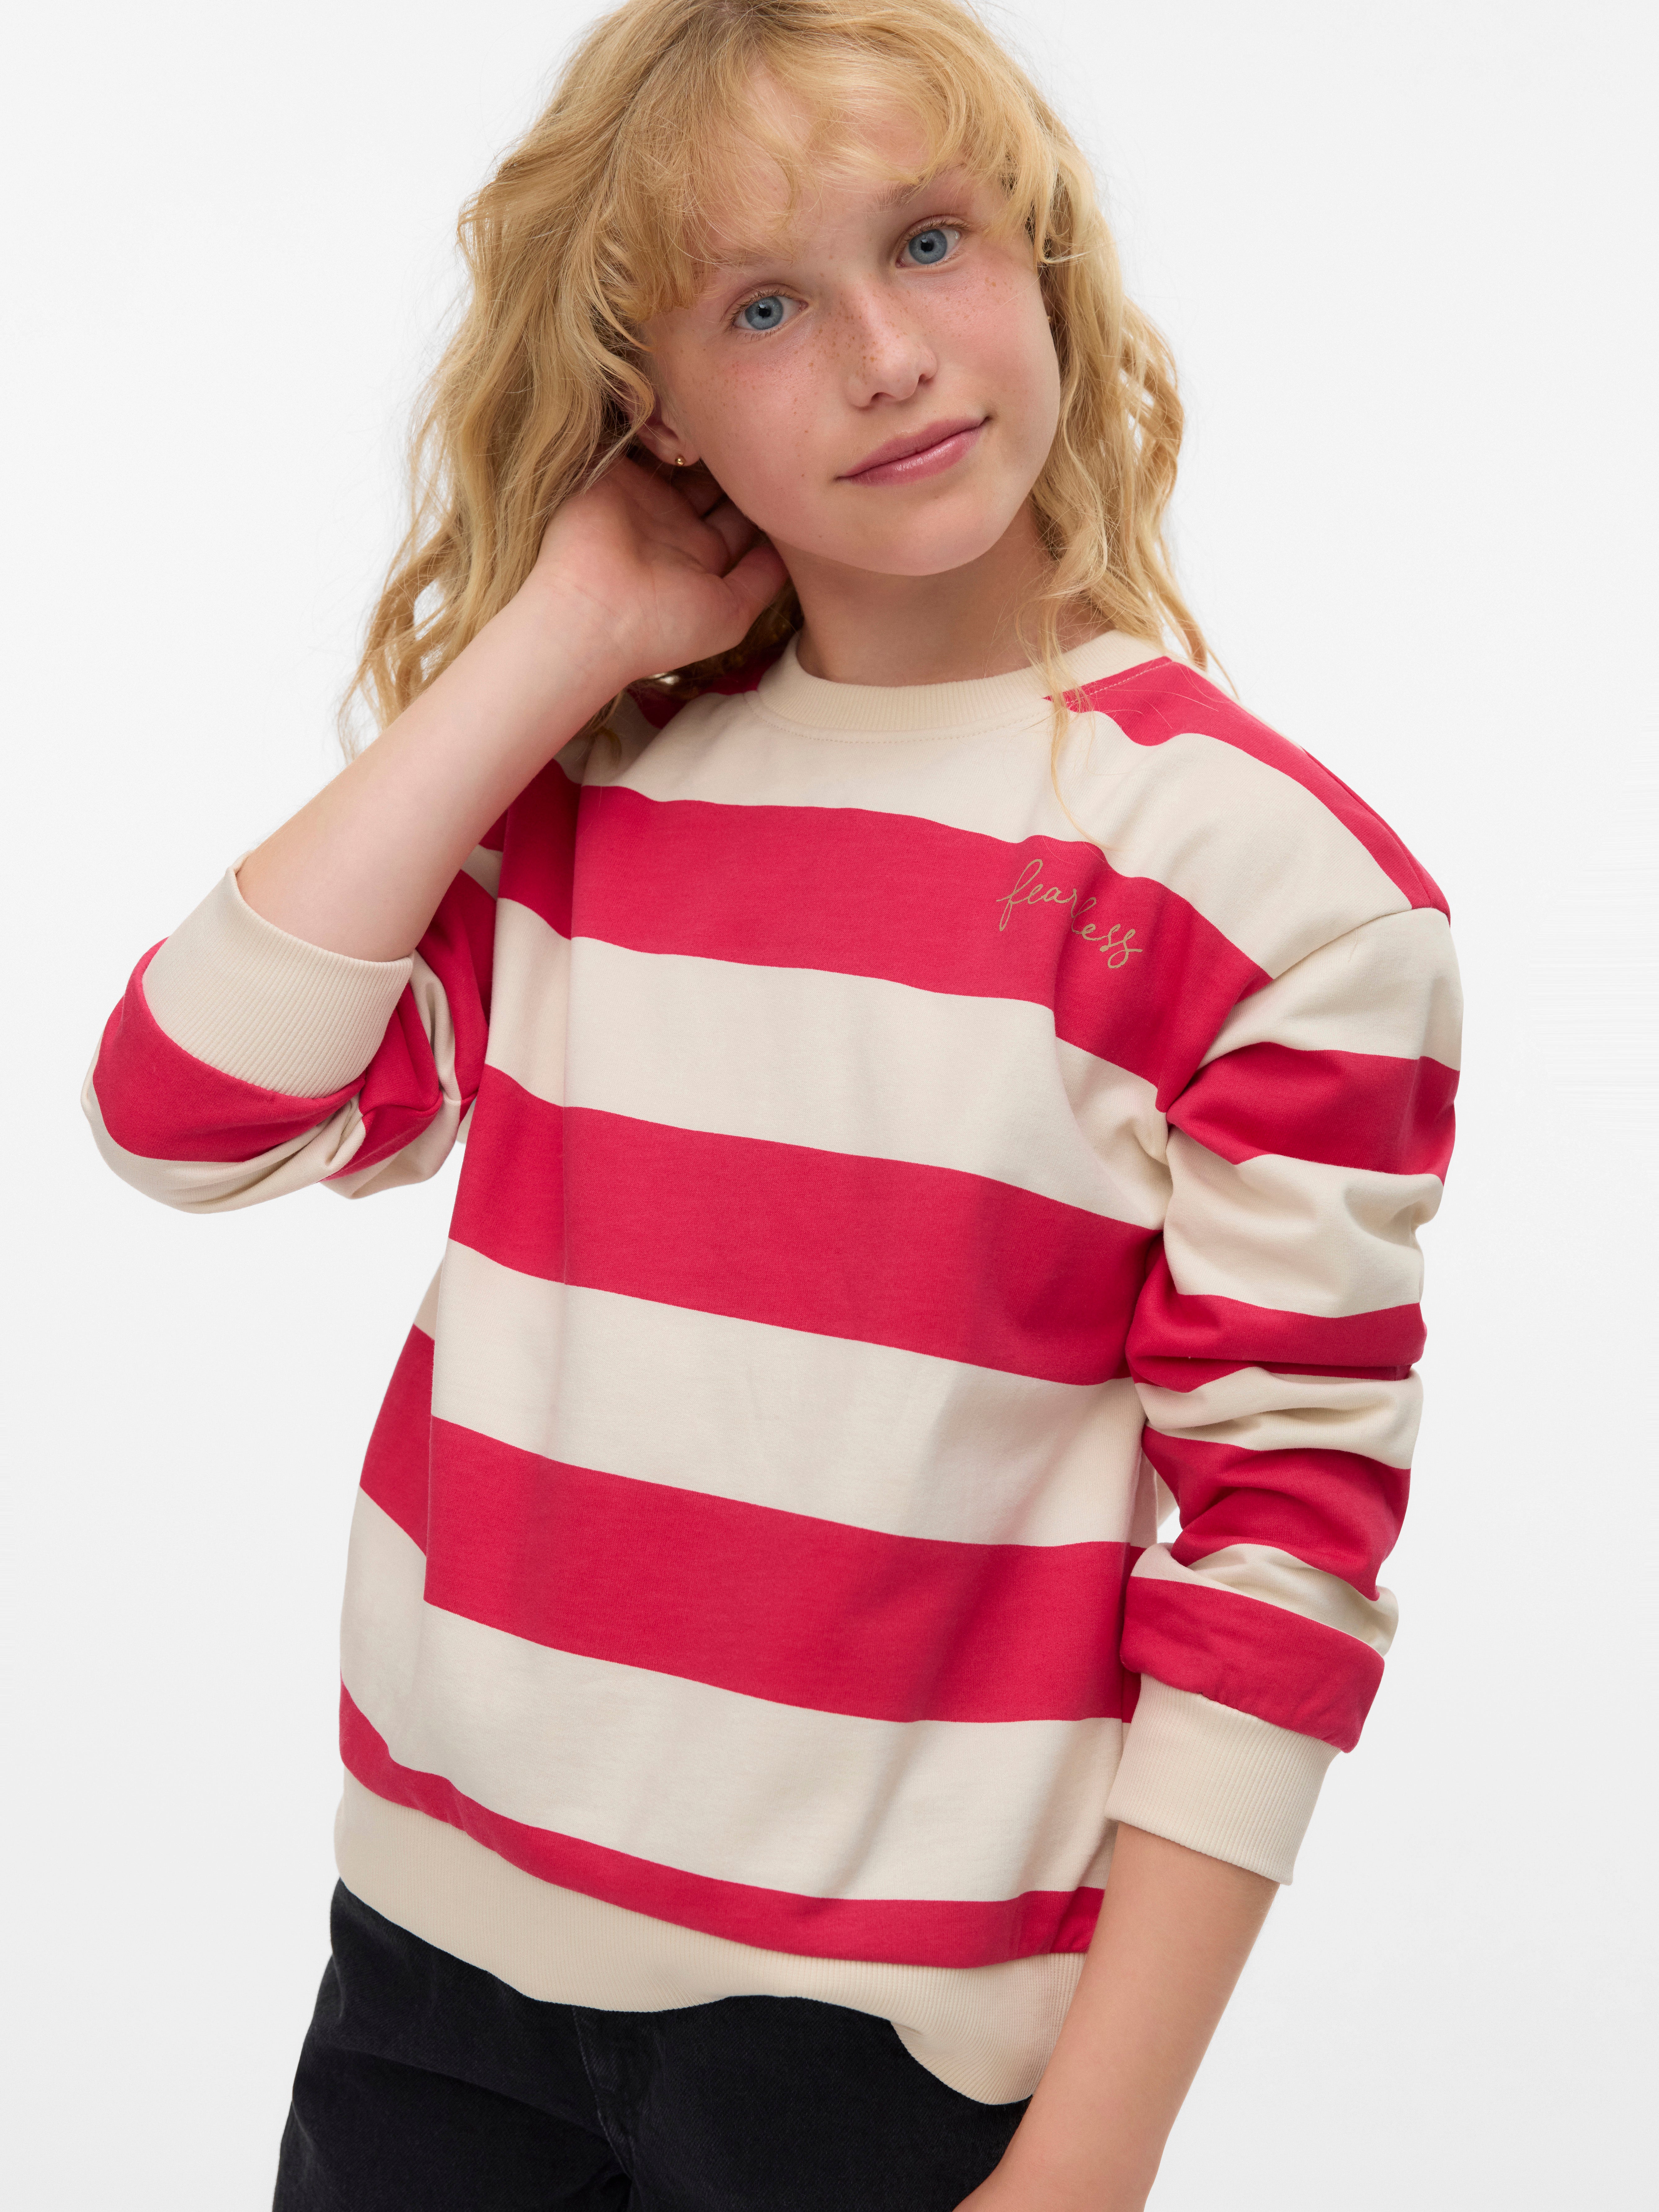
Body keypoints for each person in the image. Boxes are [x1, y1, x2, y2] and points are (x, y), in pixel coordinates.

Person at [83, 2, 1460, 2205]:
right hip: (430, 1977)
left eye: (926, 243)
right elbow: (183, 1111)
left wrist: (1086, 2166)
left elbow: (1276, 1557)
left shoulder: (1262, 887)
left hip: (873, 2064)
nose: (887, 358)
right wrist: (557, 636)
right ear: (655, 407)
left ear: (1040, 259)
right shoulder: (591, 802)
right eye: (759, 307)